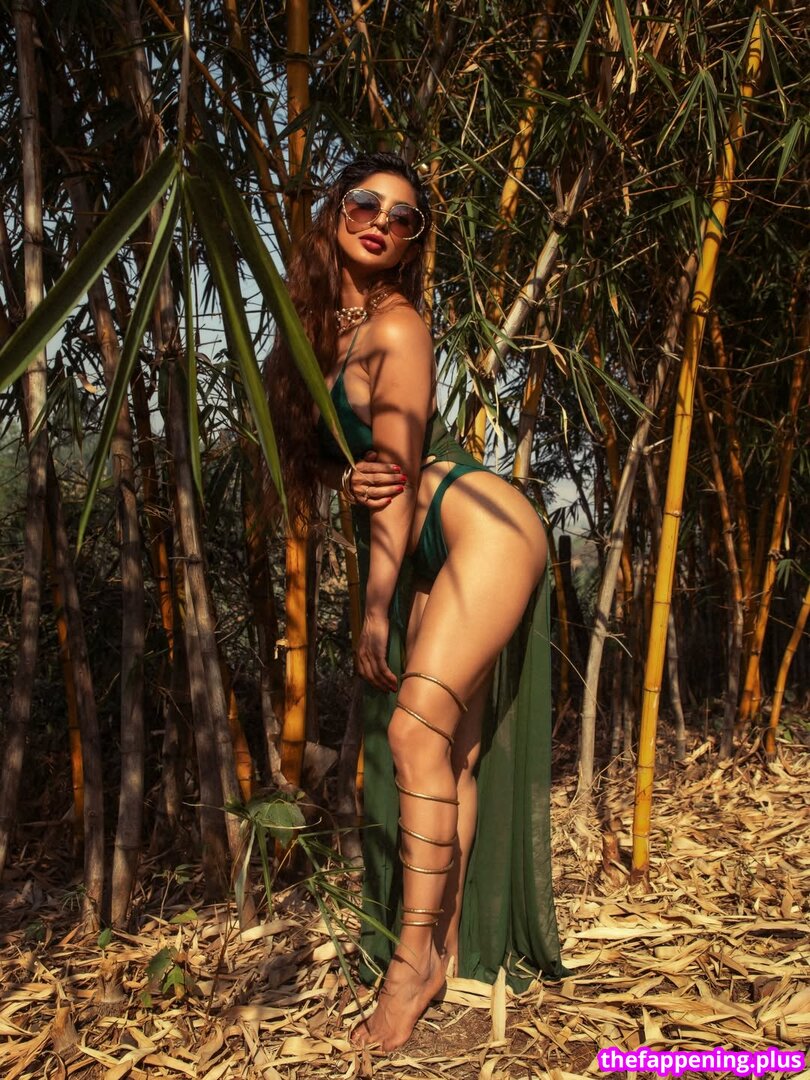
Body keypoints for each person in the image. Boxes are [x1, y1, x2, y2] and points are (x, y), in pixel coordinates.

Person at [266, 152, 563, 1052]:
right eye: (366, 203)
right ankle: (453, 947)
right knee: (449, 758)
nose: (381, 223)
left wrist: (374, 609)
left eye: (403, 218)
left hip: (480, 528)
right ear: (336, 209)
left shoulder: (399, 327)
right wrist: (344, 482)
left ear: (411, 243)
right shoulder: (317, 326)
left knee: (409, 736)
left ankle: (410, 967)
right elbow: (347, 467)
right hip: (436, 545)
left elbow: (393, 483)